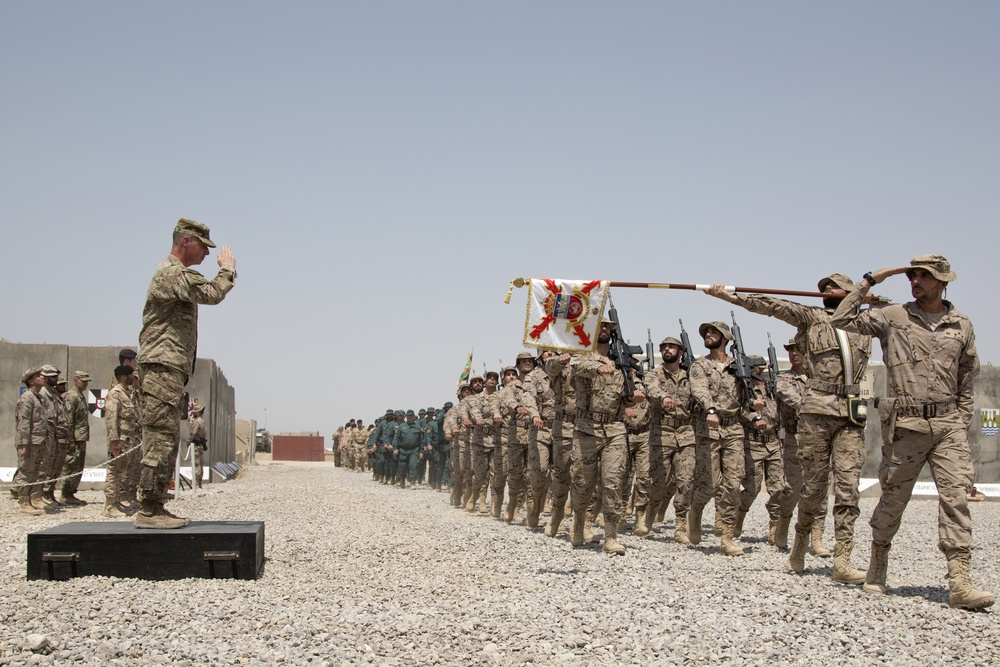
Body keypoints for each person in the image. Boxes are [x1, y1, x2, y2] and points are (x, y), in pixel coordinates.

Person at [831, 255, 993, 610]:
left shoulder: (961, 323)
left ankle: (960, 581)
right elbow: (840, 319)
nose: (916, 281)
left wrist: (962, 420)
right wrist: (870, 280)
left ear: (943, 282)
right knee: (893, 499)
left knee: (956, 500)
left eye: (925, 276)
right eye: (913, 275)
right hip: (906, 425)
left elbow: (967, 377)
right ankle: (878, 562)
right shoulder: (894, 317)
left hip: (948, 425)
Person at [705, 275, 877, 581]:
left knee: (848, 489)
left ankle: (843, 559)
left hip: (850, 415)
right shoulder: (813, 317)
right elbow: (771, 305)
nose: (824, 291)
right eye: (822, 287)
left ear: (853, 293)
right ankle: (799, 546)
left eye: (832, 286)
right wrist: (731, 297)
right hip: (816, 414)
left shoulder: (868, 321)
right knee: (812, 488)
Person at [136, 218, 236, 528]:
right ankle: (149, 509)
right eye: (203, 247)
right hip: (161, 367)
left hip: (168, 368)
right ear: (185, 242)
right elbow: (211, 293)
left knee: (166, 437)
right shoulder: (172, 274)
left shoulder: (175, 274)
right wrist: (227, 269)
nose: (207, 254)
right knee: (160, 439)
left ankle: (155, 507)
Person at [569, 318, 646, 555]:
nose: (603, 330)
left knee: (613, 483)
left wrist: (635, 396)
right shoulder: (579, 356)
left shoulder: (621, 363)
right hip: (586, 428)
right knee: (583, 483)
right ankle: (580, 520)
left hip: (615, 429)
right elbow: (576, 368)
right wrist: (597, 367)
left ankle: (611, 537)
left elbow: (628, 393)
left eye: (607, 327)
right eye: (599, 326)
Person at [688, 322, 753, 556]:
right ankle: (695, 511)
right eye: (706, 332)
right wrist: (710, 409)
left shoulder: (739, 367)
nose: (707, 335)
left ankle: (727, 536)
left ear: (725, 338)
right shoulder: (700, 365)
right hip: (709, 428)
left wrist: (754, 408)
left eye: (713, 332)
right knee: (711, 484)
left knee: (733, 484)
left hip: (734, 428)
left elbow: (746, 398)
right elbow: (699, 389)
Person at [641, 337, 696, 543]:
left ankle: (680, 525)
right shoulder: (654, 374)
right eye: (663, 347)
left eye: (671, 347)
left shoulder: (690, 375)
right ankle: (650, 512)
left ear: (680, 352)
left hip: (686, 431)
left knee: (685, 480)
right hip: (661, 432)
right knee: (660, 481)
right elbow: (651, 389)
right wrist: (664, 397)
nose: (667, 350)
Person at [773, 339, 808, 549]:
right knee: (793, 488)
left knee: (817, 489)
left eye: (798, 349)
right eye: (791, 350)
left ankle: (817, 536)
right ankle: (783, 522)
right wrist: (815, 406)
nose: (794, 353)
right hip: (795, 437)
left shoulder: (820, 377)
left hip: (818, 437)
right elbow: (789, 397)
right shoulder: (784, 378)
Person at [105, 365, 139, 517]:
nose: (134, 377)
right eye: (131, 375)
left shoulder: (126, 394)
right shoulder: (116, 394)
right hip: (119, 440)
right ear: (124, 376)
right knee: (114, 472)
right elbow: (111, 419)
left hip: (127, 439)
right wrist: (114, 441)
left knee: (121, 473)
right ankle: (109, 506)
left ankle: (117, 502)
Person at [14, 368, 48, 515]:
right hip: (29, 442)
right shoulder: (27, 397)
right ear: (30, 381)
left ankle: (32, 499)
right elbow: (24, 422)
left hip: (38, 441)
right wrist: (24, 444)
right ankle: (23, 502)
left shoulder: (38, 397)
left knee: (34, 472)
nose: (42, 377)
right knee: (25, 472)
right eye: (38, 376)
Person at [60, 370, 92, 506]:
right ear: (76, 381)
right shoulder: (71, 396)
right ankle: (65, 493)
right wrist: (70, 440)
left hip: (81, 437)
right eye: (83, 381)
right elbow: (68, 420)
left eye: (86, 382)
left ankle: (71, 492)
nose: (85, 384)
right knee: (71, 465)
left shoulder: (80, 396)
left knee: (78, 466)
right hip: (74, 438)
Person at [189, 404, 208, 488]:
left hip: (196, 445)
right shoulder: (203, 421)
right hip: (200, 444)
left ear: (198, 412)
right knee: (200, 465)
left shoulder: (197, 421)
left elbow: (193, 433)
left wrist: (188, 441)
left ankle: (196, 485)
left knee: (197, 465)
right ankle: (199, 484)